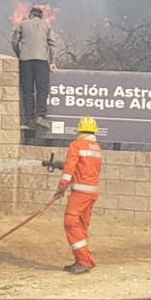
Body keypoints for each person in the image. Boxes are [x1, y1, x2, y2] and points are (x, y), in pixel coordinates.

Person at [52, 116, 102, 274]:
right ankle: (85, 259)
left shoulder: (76, 145)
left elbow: (69, 171)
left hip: (79, 193)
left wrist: (61, 188)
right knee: (81, 226)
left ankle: (83, 260)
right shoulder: (96, 148)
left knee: (71, 224)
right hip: (92, 192)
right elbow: (86, 168)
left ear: (79, 130)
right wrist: (63, 165)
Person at [11, 6, 57, 129]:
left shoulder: (22, 24)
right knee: (42, 89)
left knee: (27, 91)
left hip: (26, 61)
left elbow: (15, 42)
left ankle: (29, 118)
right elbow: (52, 45)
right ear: (40, 16)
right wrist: (52, 62)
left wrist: (19, 55)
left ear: (31, 15)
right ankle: (41, 117)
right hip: (41, 61)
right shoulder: (47, 26)